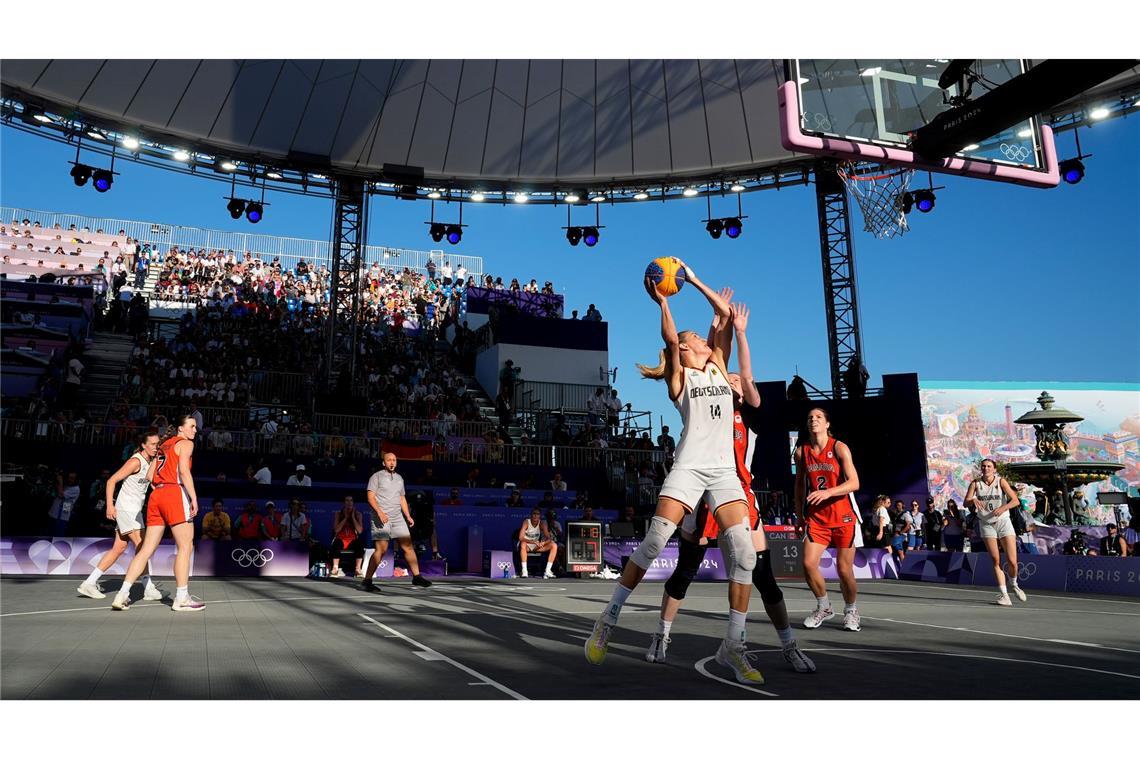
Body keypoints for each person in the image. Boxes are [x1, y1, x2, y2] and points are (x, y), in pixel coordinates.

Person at [585, 261, 764, 684]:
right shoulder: (680, 378)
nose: (701, 337)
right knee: (652, 544)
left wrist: (695, 278)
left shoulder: (719, 363)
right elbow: (670, 336)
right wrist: (664, 301)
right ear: (683, 351)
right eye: (694, 338)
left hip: (722, 472)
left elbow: (723, 313)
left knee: (744, 554)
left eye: (701, 337)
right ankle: (607, 620)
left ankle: (732, 645)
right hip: (688, 466)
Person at [647, 302, 814, 674]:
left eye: (736, 380)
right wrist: (716, 325)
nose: (733, 379)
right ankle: (662, 634)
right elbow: (710, 359)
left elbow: (734, 366)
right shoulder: (706, 396)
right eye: (730, 377)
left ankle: (788, 645)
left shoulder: (750, 413)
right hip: (703, 490)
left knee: (763, 576)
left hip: (739, 495)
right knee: (685, 571)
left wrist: (734, 330)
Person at [111, 414, 205, 611]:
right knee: (185, 546)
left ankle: (122, 595)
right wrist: (193, 498)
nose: (195, 430)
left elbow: (149, 476)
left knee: (145, 549)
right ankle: (181, 598)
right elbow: (183, 472)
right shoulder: (185, 444)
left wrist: (161, 490)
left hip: (157, 496)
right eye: (192, 426)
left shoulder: (163, 444)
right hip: (173, 492)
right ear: (181, 428)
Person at [76, 431, 163, 602]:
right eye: (152, 444)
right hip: (127, 510)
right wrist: (110, 505)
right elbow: (111, 481)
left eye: (157, 443)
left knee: (119, 548)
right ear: (143, 445)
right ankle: (148, 587)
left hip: (135, 511)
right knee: (143, 548)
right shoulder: (135, 461)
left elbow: (150, 479)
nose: (156, 446)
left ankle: (89, 582)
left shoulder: (150, 461)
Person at [797, 407, 863, 632]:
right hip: (817, 519)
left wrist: (828, 492)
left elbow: (854, 483)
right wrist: (799, 515)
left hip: (843, 516)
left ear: (827, 424)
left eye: (818, 417)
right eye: (810, 418)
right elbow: (799, 486)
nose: (813, 420)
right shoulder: (802, 452)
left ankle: (852, 610)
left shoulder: (839, 447)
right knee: (807, 564)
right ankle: (823, 606)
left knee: (844, 570)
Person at [361, 452, 432, 590]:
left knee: (408, 546)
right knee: (381, 549)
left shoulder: (399, 478)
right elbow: (370, 497)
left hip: (397, 517)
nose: (392, 462)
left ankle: (417, 577)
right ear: (384, 463)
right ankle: (367, 580)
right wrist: (380, 512)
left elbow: (402, 499)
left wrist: (408, 516)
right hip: (381, 516)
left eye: (394, 460)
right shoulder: (376, 477)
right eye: (389, 460)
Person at [964, 459, 1026, 606]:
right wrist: (972, 500)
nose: (986, 468)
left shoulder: (1001, 482)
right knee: (996, 560)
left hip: (1003, 521)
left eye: (989, 466)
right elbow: (965, 502)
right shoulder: (975, 483)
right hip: (986, 523)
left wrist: (1003, 508)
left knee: (1012, 561)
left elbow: (1015, 500)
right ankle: (1004, 595)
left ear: (994, 469)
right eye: (984, 466)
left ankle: (1014, 584)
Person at [517, 508, 557, 579]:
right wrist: (533, 542)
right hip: (527, 545)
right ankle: (524, 571)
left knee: (554, 545)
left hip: (536, 546)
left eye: (537, 514)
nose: (535, 516)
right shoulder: (526, 522)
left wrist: (543, 543)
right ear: (531, 515)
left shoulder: (542, 523)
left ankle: (547, 571)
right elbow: (520, 537)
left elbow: (549, 538)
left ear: (540, 516)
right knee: (523, 543)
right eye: (534, 514)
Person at [330, 496, 365, 578]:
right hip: (341, 539)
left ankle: (358, 569)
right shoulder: (338, 514)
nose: (349, 502)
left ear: (353, 503)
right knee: (336, 543)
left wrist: (352, 517)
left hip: (352, 540)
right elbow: (336, 530)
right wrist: (345, 517)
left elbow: (359, 531)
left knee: (359, 544)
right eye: (347, 500)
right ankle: (335, 568)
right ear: (344, 503)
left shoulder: (358, 514)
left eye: (351, 500)